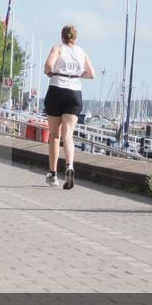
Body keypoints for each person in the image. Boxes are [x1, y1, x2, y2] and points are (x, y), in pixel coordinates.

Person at [43, 25, 95, 189]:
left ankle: (52, 174)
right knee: (68, 135)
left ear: (62, 36)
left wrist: (51, 73)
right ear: (75, 37)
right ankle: (70, 166)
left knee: (55, 135)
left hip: (57, 90)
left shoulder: (58, 48)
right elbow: (91, 74)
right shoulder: (82, 52)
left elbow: (48, 66)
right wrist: (76, 74)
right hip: (74, 93)